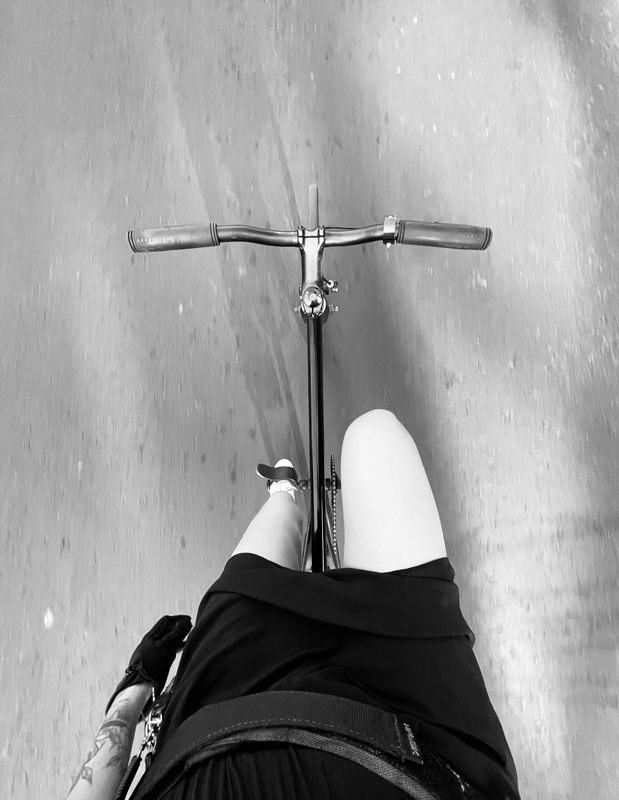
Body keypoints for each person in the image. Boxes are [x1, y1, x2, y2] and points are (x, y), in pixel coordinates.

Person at [66, 409, 521, 800]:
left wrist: (134, 686)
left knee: (351, 454)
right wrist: (135, 691)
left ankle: (285, 492)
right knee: (375, 437)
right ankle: (286, 499)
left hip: (222, 710)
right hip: (422, 743)